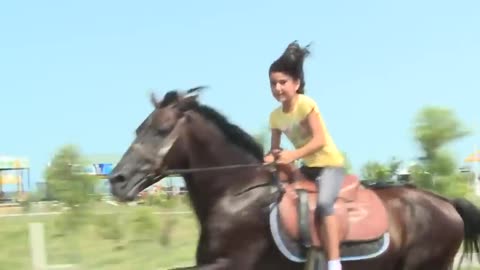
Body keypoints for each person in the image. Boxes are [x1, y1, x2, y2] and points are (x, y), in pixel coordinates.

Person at [264, 41, 346, 270]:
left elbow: (319, 140)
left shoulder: (306, 104)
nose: (278, 88)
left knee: (324, 205)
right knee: (281, 199)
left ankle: (334, 262)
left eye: (283, 82)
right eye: (273, 84)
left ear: (296, 83)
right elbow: (276, 150)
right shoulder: (275, 117)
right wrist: (269, 158)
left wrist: (293, 155)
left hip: (330, 165)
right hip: (308, 168)